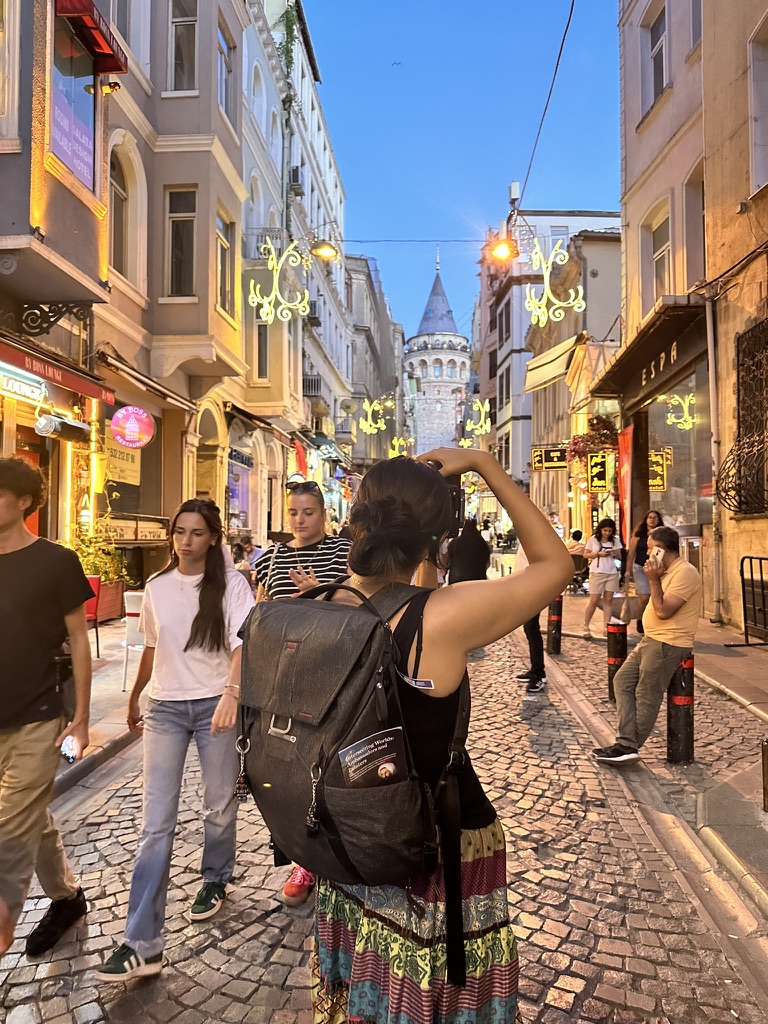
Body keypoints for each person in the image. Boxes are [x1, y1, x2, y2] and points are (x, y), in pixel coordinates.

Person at [311, 447, 572, 1024]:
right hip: (433, 836)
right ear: (438, 538)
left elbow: (398, 586)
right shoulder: (442, 617)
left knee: (369, 964)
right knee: (426, 973)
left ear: (354, 521)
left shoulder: (320, 604)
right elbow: (556, 566)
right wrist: (485, 464)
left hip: (349, 835)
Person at [95, 499, 254, 982]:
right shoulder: (157, 587)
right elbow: (151, 645)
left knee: (218, 804)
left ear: (212, 538)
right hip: (164, 709)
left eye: (196, 533)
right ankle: (142, 943)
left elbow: (244, 644)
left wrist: (232, 695)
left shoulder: (231, 586)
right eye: (179, 532)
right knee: (155, 824)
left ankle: (215, 877)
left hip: (214, 705)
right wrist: (135, 695)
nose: (185, 541)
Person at [0, 458, 93, 958]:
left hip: (38, 716)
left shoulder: (56, 561)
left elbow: (79, 640)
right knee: (29, 815)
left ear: (24, 503)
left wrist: (80, 716)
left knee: (9, 822)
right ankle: (67, 898)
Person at [252, 480, 351, 906]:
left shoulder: (340, 553)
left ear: (323, 513)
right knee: (289, 770)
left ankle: (334, 853)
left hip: (331, 675)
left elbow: (358, 610)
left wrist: (318, 594)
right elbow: (259, 611)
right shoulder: (273, 557)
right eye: (293, 512)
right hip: (284, 677)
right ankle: (302, 857)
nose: (299, 520)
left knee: (328, 767)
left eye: (308, 512)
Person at [594, 526, 702, 765]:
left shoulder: (685, 573)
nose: (647, 555)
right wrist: (656, 577)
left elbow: (663, 611)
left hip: (669, 641)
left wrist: (653, 579)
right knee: (621, 681)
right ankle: (625, 741)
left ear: (661, 550)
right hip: (651, 639)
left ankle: (628, 746)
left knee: (647, 694)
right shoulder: (667, 571)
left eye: (651, 549)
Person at [513, 543, 548, 697]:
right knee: (530, 630)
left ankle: (538, 674)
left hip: (532, 589)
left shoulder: (532, 541)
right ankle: (536, 669)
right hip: (526, 589)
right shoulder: (524, 539)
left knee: (532, 629)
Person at [625, 510, 664, 634]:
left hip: (657, 567)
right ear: (646, 520)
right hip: (640, 568)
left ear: (658, 520)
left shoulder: (662, 535)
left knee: (656, 596)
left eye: (654, 518)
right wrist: (627, 570)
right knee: (644, 596)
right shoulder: (638, 535)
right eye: (650, 517)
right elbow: (631, 553)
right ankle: (640, 619)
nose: (652, 520)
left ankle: (654, 621)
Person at [582, 517, 623, 638]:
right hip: (597, 572)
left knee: (608, 600)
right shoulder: (593, 539)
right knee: (594, 600)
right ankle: (586, 625)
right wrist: (597, 554)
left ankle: (606, 626)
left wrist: (613, 552)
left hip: (611, 572)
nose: (607, 533)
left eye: (609, 531)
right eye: (605, 530)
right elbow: (585, 554)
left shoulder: (615, 541)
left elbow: (620, 556)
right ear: (600, 530)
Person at [445, 519, 490, 583]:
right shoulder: (481, 543)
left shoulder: (455, 542)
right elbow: (487, 560)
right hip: (477, 578)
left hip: (457, 579)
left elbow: (448, 559)